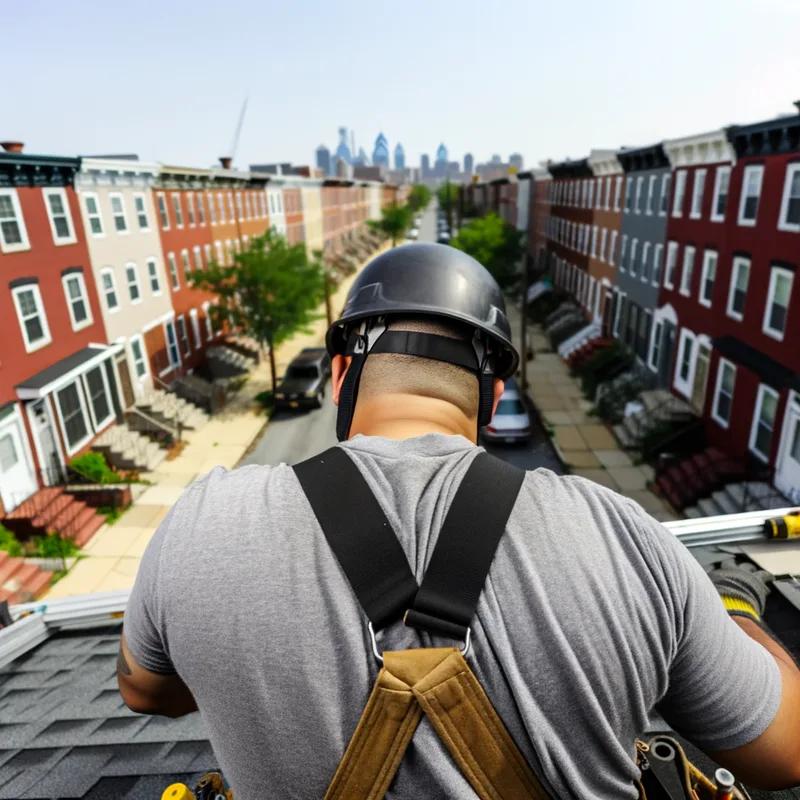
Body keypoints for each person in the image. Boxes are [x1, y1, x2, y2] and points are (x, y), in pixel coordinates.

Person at [118, 243, 800, 799]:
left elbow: (145, 690)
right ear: (492, 395)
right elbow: (785, 753)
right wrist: (735, 611)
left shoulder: (203, 523)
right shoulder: (626, 538)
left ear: (340, 375)